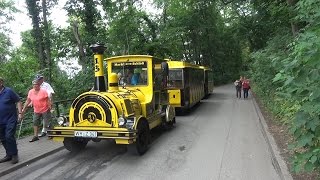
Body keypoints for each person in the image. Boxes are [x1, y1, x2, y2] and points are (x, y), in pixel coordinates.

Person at [0, 77, 22, 164]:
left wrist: (20, 113)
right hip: (0, 121)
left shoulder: (8, 91)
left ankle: (14, 155)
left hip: (10, 119)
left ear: (1, 82)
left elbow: (19, 101)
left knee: (9, 136)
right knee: (3, 138)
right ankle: (9, 155)